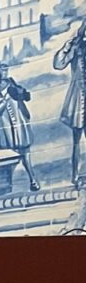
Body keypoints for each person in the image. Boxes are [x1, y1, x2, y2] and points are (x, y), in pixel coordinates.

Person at [0, 60, 40, 191]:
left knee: (25, 153)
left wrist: (21, 93)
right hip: (6, 126)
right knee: (8, 156)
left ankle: (33, 179)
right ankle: (7, 185)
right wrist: (7, 96)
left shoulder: (10, 82)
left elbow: (23, 96)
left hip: (19, 121)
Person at [54, 20, 86, 185]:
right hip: (79, 97)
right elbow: (58, 64)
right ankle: (75, 175)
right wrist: (67, 47)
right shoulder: (77, 48)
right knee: (77, 140)